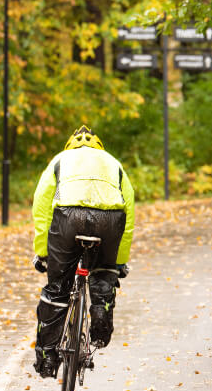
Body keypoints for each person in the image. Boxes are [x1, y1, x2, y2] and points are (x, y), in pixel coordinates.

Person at [30, 125, 135, 378]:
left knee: (57, 288)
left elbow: (42, 206)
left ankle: (47, 356)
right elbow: (128, 212)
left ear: (70, 145)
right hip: (111, 220)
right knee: (103, 274)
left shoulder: (59, 160)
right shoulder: (113, 163)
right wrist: (117, 264)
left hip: (68, 219)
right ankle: (100, 312)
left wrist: (43, 253)